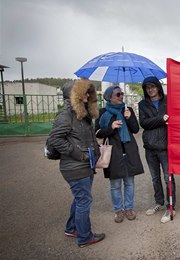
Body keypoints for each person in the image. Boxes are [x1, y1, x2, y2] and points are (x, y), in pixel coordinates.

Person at [47, 79, 105, 248]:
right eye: (84, 92)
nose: (88, 95)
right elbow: (55, 139)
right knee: (84, 201)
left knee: (80, 199)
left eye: (89, 92)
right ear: (75, 95)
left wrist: (95, 151)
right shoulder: (66, 114)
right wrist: (79, 155)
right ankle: (85, 237)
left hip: (85, 165)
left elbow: (85, 137)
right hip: (76, 166)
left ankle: (72, 228)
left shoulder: (82, 113)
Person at [95, 86, 144, 223]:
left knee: (129, 183)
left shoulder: (127, 110)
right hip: (113, 153)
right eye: (118, 94)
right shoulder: (103, 112)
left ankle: (129, 208)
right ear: (109, 96)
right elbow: (97, 132)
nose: (121, 96)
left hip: (129, 151)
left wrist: (129, 118)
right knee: (115, 184)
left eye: (122, 94)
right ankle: (118, 211)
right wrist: (111, 128)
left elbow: (135, 129)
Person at [139, 76, 176, 223]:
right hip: (150, 147)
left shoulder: (168, 101)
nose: (150, 90)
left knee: (168, 179)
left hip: (166, 147)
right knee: (155, 179)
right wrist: (162, 119)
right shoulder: (143, 104)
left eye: (153, 86)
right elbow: (144, 123)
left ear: (158, 87)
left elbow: (174, 118)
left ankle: (170, 206)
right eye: (147, 88)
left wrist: (167, 120)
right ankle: (159, 203)